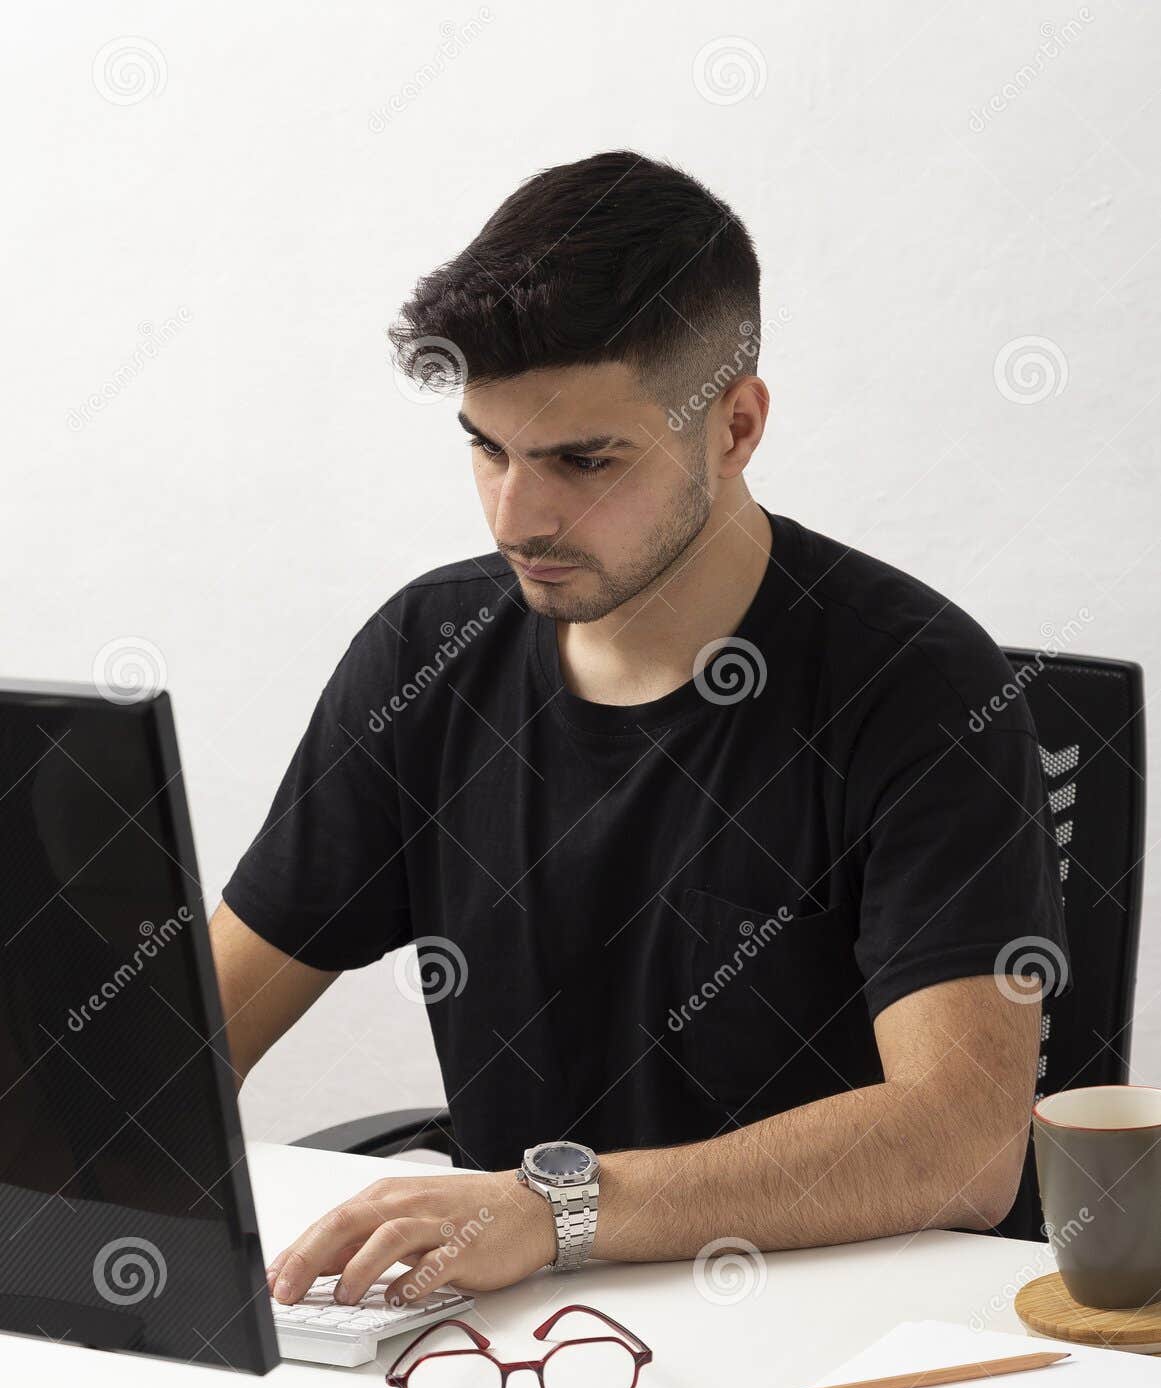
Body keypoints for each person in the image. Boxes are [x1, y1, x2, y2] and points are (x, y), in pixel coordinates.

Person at [209, 150, 1069, 1310]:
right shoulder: (428, 656)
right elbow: (197, 1035)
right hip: (515, 1341)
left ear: (736, 426)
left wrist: (552, 1208)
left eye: (582, 459)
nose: (519, 514)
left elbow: (963, 1149)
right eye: (487, 447)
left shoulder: (919, 685)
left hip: (839, 1342)